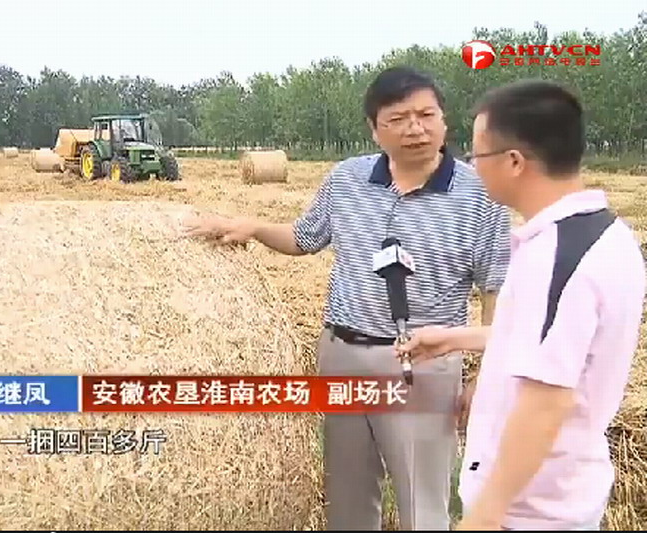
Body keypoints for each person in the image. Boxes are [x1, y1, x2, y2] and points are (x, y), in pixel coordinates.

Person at [181, 66, 512, 530]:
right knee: (348, 497)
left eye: (426, 115)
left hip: (422, 366)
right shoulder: (348, 179)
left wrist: (487, 376)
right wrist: (252, 227)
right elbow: (304, 237)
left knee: (422, 504)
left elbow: (497, 287)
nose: (415, 129)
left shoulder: (480, 195)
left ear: (444, 121)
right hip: (341, 355)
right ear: (375, 129)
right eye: (398, 119)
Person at [396, 79, 647, 530]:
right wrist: (452, 339)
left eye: (477, 155)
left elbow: (546, 404)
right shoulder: (606, 235)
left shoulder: (556, 259)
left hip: (529, 511)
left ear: (513, 162)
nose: (471, 167)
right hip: (560, 496)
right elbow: (552, 341)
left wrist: (485, 516)